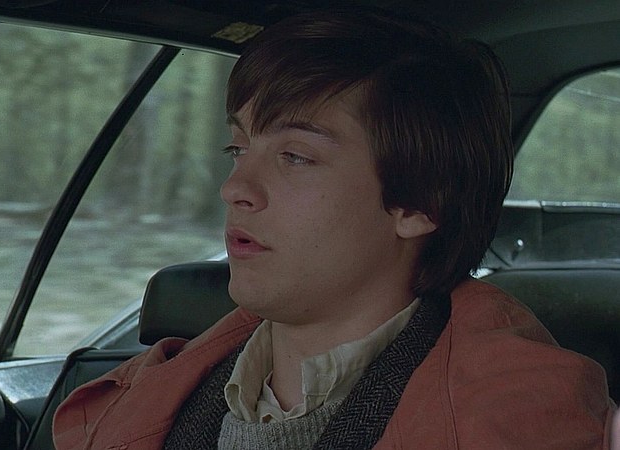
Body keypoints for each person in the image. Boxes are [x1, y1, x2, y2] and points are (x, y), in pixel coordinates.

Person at [53, 5, 616, 449]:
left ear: (418, 204)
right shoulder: (147, 394)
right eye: (238, 148)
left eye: (295, 156)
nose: (235, 188)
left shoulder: (518, 424)